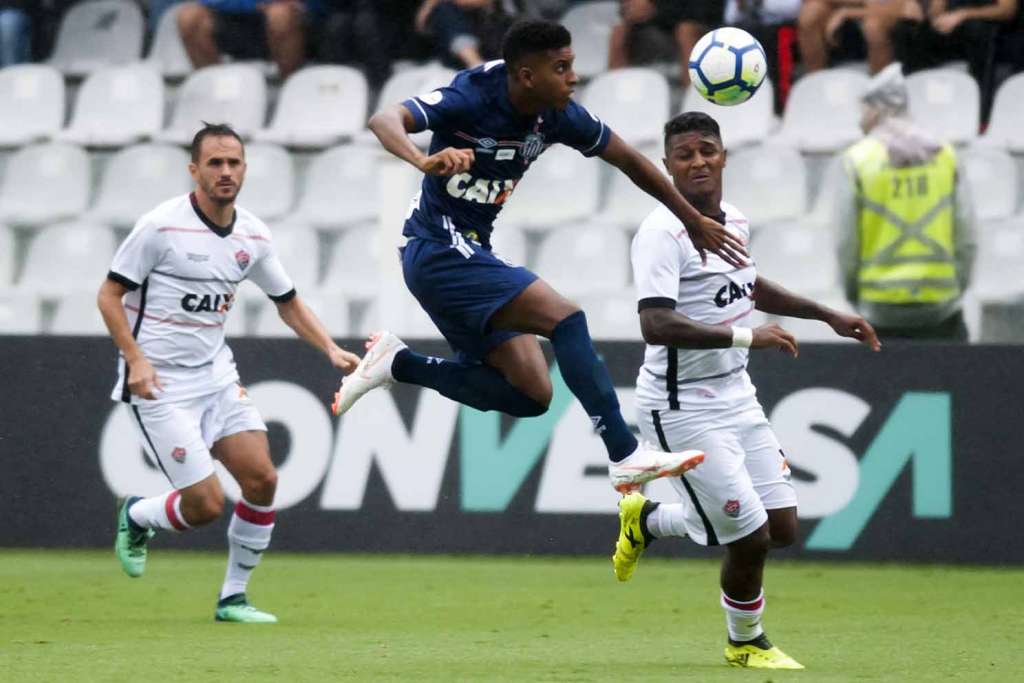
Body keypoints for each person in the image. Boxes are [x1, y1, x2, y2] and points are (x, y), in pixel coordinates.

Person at [338, 20, 749, 494]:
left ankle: (400, 364)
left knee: (531, 394)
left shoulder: (558, 114)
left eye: (571, 64)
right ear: (527, 76)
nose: (573, 76)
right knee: (566, 319)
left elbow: (630, 160)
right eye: (562, 67)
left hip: (468, 250)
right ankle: (624, 454)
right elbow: (383, 120)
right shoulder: (472, 95)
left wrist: (691, 220)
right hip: (438, 248)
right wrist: (422, 159)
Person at [611, 111, 880, 670]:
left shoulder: (734, 218)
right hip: (680, 406)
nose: (698, 162)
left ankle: (648, 520)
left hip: (736, 394)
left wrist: (826, 314)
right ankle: (745, 643)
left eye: (707, 150)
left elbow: (748, 285)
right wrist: (746, 337)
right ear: (666, 167)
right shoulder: (661, 233)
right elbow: (655, 324)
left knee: (781, 527)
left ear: (724, 155)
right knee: (749, 536)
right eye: (684, 155)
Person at [97, 123, 360, 623]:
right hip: (159, 384)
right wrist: (135, 359)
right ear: (194, 170)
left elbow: (287, 301)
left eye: (233, 163)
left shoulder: (252, 235)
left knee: (262, 479)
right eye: (214, 163)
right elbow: (109, 295)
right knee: (204, 506)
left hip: (215, 376)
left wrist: (329, 347)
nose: (225, 172)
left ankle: (233, 598)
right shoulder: (160, 227)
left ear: (245, 169)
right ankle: (137, 514)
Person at [837, 63, 976, 341]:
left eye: (864, 110)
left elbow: (846, 242)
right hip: (941, 306)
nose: (860, 120)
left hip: (879, 307)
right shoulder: (945, 155)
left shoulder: (858, 160)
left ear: (877, 110)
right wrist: (956, 286)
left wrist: (854, 295)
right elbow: (966, 236)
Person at [176, 0, 320, 78]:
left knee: (280, 15)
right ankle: (215, 89)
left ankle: (292, 86)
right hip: (240, 21)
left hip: (303, 27)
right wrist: (254, 4)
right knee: (189, 18)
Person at [608, 0, 726, 86]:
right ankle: (617, 93)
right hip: (656, 28)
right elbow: (627, 9)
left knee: (685, 30)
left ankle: (694, 97)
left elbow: (703, 11)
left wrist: (655, 9)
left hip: (703, 27)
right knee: (619, 31)